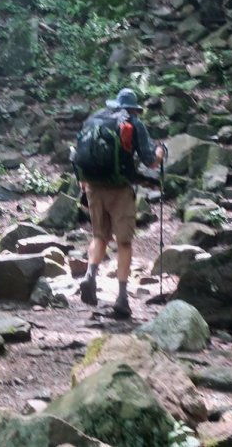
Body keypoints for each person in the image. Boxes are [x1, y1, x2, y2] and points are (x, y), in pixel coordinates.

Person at [76, 87, 164, 318]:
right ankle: (122, 298)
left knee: (99, 236)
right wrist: (161, 151)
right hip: (119, 190)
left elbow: (80, 156)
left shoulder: (95, 120)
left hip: (93, 186)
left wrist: (84, 186)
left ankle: (90, 275)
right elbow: (150, 161)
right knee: (124, 243)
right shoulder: (134, 123)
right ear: (134, 108)